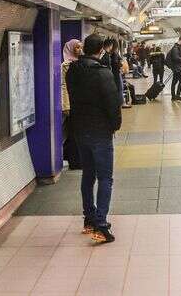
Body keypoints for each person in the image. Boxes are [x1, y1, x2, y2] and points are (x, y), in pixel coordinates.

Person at [65, 33, 123, 243]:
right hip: (100, 132)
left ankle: (89, 220)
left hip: (80, 130)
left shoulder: (72, 71)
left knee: (88, 175)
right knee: (105, 178)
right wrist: (115, 125)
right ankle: (100, 224)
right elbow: (112, 104)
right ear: (101, 50)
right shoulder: (103, 74)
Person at [60, 39, 82, 169]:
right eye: (77, 48)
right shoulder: (65, 65)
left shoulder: (80, 63)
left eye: (81, 47)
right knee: (73, 133)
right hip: (71, 104)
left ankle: (77, 159)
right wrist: (66, 105)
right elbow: (63, 87)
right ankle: (75, 161)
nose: (80, 50)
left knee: (77, 132)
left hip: (79, 103)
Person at [167, 36, 181, 101]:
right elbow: (176, 58)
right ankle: (177, 95)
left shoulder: (176, 47)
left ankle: (174, 97)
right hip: (177, 68)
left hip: (176, 68)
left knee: (174, 82)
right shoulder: (176, 48)